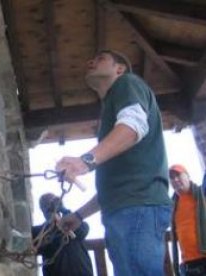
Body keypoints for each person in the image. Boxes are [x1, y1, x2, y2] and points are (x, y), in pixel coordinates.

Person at [55, 50, 172, 275]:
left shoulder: (127, 83)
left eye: (100, 59)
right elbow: (115, 187)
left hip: (137, 209)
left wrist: (84, 162)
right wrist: (79, 216)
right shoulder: (112, 126)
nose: (90, 61)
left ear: (119, 69)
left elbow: (133, 127)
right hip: (129, 209)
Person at [31, 193, 93, 276]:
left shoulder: (74, 225)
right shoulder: (39, 232)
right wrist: (51, 221)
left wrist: (64, 210)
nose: (51, 207)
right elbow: (40, 245)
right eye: (45, 205)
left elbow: (83, 230)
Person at [169, 164, 206, 276]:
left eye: (178, 175)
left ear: (188, 176)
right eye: (172, 177)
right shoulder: (171, 205)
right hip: (188, 265)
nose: (175, 179)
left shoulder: (202, 194)